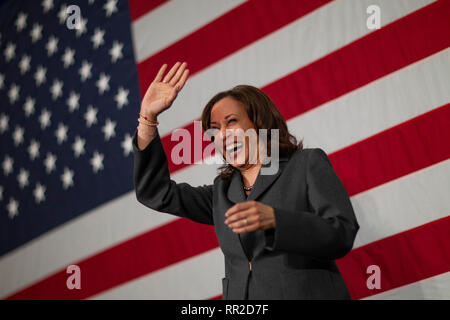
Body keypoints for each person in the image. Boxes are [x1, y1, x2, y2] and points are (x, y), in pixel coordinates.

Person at [132, 62, 360, 299]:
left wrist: (277, 221)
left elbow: (342, 232)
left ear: (259, 121)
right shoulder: (221, 192)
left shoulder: (305, 164)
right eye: (214, 129)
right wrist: (147, 119)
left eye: (231, 121)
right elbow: (155, 192)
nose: (222, 134)